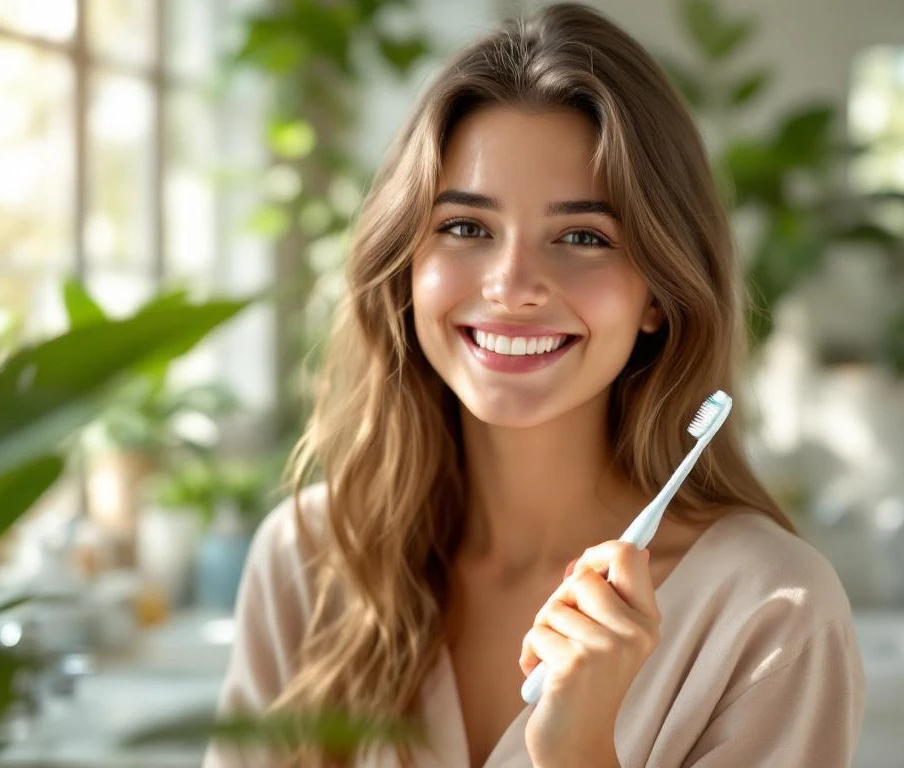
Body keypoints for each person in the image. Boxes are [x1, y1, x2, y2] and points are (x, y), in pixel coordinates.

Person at [203, 3, 865, 766]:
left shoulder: (774, 613)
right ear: (406, 268)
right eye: (466, 227)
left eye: (583, 237)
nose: (513, 286)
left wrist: (581, 752)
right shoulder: (310, 557)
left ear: (659, 293)